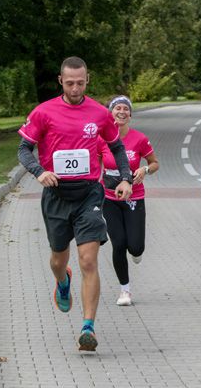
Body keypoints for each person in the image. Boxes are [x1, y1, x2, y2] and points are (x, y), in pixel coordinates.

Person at [17, 56, 133, 352]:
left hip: (89, 195)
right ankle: (63, 281)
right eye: (70, 83)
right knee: (59, 259)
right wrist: (39, 172)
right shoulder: (44, 112)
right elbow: (24, 149)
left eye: (80, 82)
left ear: (87, 80)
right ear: (60, 81)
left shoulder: (98, 113)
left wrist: (125, 179)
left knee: (88, 260)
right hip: (56, 194)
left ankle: (88, 328)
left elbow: (117, 147)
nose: (75, 87)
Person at [98, 96, 159, 307]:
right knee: (119, 244)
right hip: (109, 197)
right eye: (117, 108)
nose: (121, 112)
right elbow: (95, 164)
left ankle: (137, 252)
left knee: (135, 247)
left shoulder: (139, 139)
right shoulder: (101, 138)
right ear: (110, 113)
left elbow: (155, 163)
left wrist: (145, 169)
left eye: (125, 109)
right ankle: (125, 291)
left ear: (130, 115)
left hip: (135, 197)